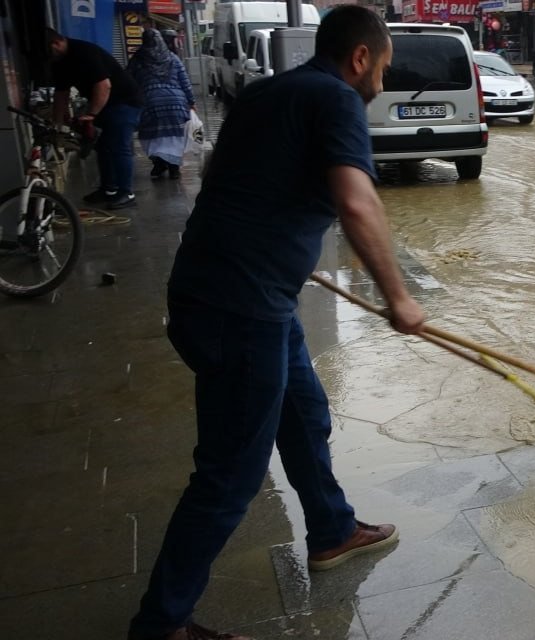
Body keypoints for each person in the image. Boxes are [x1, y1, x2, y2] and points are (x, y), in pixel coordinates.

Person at [129, 6, 425, 640]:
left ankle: (332, 530)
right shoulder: (338, 101)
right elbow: (356, 200)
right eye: (386, 66)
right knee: (229, 476)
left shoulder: (268, 92)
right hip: (241, 310)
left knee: (303, 409)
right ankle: (160, 624)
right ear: (361, 58)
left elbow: (221, 179)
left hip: (230, 292)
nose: (383, 80)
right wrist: (398, 297)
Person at [48, 28, 144, 210]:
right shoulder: (59, 61)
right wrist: (57, 123)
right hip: (103, 105)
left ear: (57, 43)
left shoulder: (84, 52)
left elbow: (104, 85)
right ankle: (108, 189)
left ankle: (126, 192)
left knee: (119, 146)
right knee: (103, 147)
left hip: (124, 101)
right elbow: (61, 93)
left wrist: (91, 114)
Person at [128, 29, 196, 180]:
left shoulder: (137, 60)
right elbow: (184, 81)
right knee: (174, 136)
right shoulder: (172, 58)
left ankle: (159, 164)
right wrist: (191, 101)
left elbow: (129, 83)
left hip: (149, 104)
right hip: (176, 103)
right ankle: (174, 167)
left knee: (153, 136)